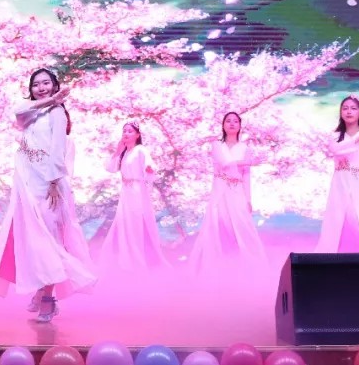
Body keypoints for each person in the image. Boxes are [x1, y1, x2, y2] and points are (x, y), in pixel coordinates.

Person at [0, 68, 95, 323]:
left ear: (55, 85)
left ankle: (47, 299)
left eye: (46, 83)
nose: (41, 88)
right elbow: (18, 111)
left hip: (49, 185)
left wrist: (54, 182)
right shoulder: (31, 113)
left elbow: (58, 148)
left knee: (49, 241)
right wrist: (49, 100)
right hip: (27, 185)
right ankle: (42, 291)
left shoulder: (57, 113)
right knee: (32, 240)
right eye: (36, 84)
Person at [187, 112, 266, 270]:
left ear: (240, 125)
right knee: (218, 226)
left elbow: (246, 176)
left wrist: (248, 199)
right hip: (220, 189)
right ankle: (217, 265)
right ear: (223, 125)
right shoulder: (217, 145)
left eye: (235, 121)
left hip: (237, 191)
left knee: (243, 227)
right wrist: (248, 162)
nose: (232, 124)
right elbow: (224, 163)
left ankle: (249, 266)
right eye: (228, 121)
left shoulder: (245, 148)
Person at [315, 96, 359, 253]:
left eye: (353, 108)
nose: (349, 111)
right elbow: (336, 150)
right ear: (341, 112)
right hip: (340, 183)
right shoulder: (335, 135)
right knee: (339, 219)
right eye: (345, 108)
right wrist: (357, 138)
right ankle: (337, 258)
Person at [97, 122, 168, 271]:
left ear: (137, 135)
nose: (126, 133)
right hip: (126, 192)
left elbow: (149, 163)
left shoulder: (140, 149)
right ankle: (125, 258)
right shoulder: (124, 153)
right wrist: (118, 151)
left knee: (137, 222)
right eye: (124, 131)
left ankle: (143, 258)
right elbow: (110, 168)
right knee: (124, 222)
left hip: (137, 190)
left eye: (130, 131)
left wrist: (149, 168)